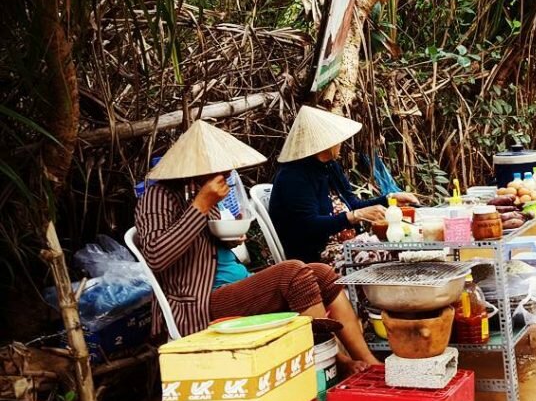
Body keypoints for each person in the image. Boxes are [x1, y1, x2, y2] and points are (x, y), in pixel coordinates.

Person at [134, 120, 378, 369]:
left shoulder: (201, 190)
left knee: (323, 274)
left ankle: (367, 362)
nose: (228, 174)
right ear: (197, 167)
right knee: (292, 272)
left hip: (236, 285)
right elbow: (156, 255)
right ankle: (333, 362)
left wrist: (230, 238)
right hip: (199, 302)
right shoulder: (158, 198)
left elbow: (206, 248)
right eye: (221, 167)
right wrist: (201, 206)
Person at [269, 106, 418, 266]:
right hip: (320, 257)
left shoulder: (329, 166)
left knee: (407, 244)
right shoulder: (293, 177)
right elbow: (308, 225)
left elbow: (353, 204)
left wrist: (389, 199)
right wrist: (354, 216)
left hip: (351, 245)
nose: (341, 143)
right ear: (325, 143)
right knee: (393, 255)